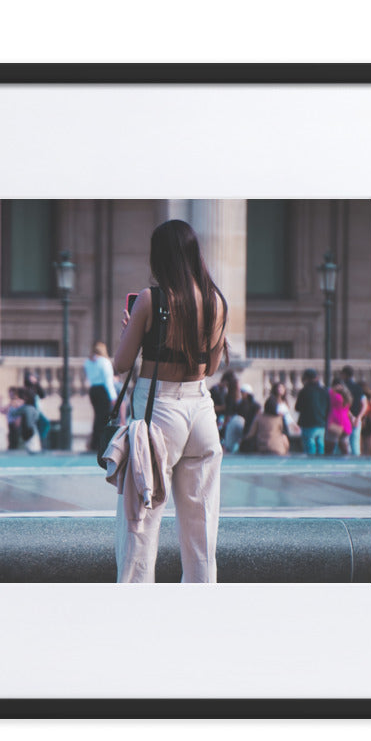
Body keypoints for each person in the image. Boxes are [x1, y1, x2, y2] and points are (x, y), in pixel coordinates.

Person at [110, 219, 228, 583]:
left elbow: (121, 364)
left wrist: (132, 327)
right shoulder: (216, 301)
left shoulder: (152, 299)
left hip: (159, 412)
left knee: (141, 521)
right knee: (202, 530)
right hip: (202, 413)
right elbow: (211, 366)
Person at [84, 341, 118, 452]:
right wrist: (113, 397)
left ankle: (95, 443)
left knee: (97, 416)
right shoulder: (104, 362)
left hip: (93, 389)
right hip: (103, 390)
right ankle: (101, 443)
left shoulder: (88, 362)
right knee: (104, 417)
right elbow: (108, 380)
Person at [295, 368, 329, 456]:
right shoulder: (324, 391)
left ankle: (311, 465)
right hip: (321, 422)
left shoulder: (304, 391)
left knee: (310, 447)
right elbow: (328, 407)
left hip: (308, 423)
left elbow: (298, 407)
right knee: (320, 445)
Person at [339, 365, 368, 456]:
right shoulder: (358, 388)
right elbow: (364, 404)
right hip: (356, 419)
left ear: (344, 374)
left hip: (345, 419)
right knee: (355, 444)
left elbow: (343, 404)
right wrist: (358, 417)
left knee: (343, 444)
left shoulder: (343, 388)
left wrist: (351, 416)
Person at [22, 372, 51, 446]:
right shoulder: (26, 388)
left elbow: (42, 395)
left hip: (36, 410)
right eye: (32, 377)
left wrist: (37, 384)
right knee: (33, 427)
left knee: (45, 423)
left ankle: (42, 440)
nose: (34, 378)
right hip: (30, 410)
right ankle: (34, 443)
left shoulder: (35, 387)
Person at [326, 382, 353, 456]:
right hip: (346, 424)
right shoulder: (347, 399)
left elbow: (330, 392)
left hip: (336, 423)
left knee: (329, 446)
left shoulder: (337, 397)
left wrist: (334, 388)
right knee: (343, 445)